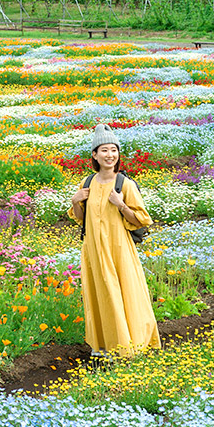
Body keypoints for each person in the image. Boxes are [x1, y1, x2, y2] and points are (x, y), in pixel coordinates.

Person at [69, 124, 160, 358]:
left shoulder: (125, 184)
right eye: (104, 150)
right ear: (94, 155)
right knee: (99, 293)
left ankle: (129, 346)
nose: (110, 155)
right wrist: (75, 202)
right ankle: (103, 345)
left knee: (125, 293)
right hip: (93, 249)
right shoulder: (87, 183)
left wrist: (121, 204)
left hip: (118, 249)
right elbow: (82, 220)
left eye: (113, 150)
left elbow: (141, 220)